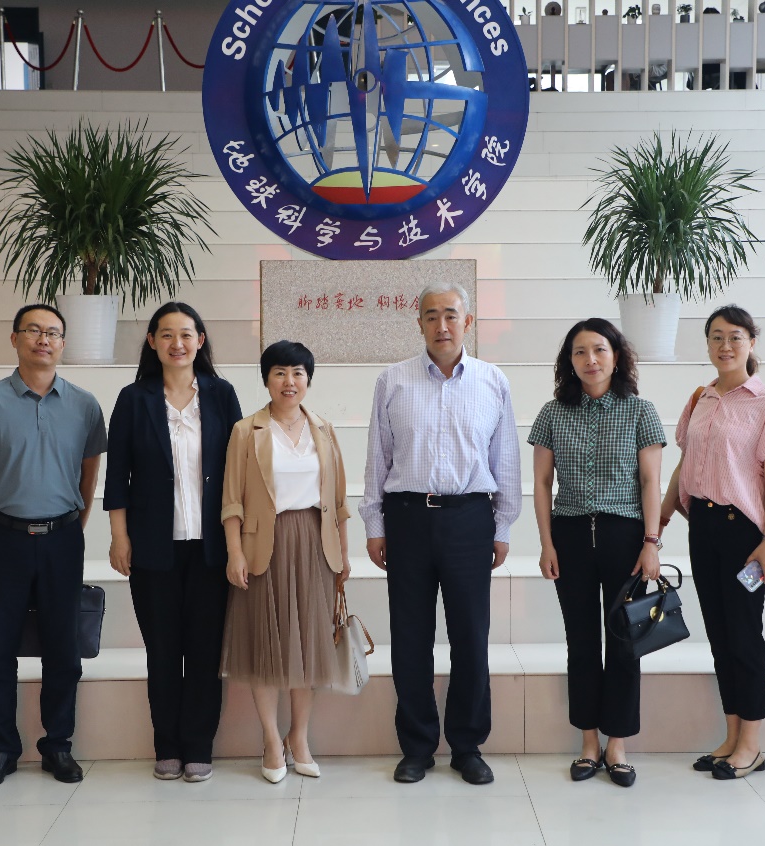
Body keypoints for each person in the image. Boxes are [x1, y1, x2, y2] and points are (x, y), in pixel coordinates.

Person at [360, 282, 522, 786]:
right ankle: (417, 747)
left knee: (470, 636)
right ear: (419, 324)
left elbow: (505, 459)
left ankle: (467, 745)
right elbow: (377, 458)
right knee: (410, 637)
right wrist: (374, 524)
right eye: (431, 316)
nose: (442, 325)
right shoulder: (393, 380)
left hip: (470, 519)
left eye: (451, 314)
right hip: (407, 518)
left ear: (467, 322)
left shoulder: (492, 381)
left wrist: (502, 525)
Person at [0, 304, 107, 790]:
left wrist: (74, 525)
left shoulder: (85, 404)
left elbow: (89, 473)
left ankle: (57, 745)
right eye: (34, 330)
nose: (44, 339)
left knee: (62, 646)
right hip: (2, 539)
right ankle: (1, 749)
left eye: (53, 333)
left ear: (63, 343)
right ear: (15, 338)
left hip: (62, 538)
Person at [103, 302, 242, 782]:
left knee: (205, 652)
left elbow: (238, 472)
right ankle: (166, 745)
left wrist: (238, 542)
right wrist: (119, 536)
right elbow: (117, 475)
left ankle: (199, 745)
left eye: (186, 334)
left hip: (210, 549)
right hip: (152, 548)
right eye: (166, 334)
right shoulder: (133, 398)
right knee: (162, 652)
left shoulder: (222, 395)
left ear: (200, 340)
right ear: (152, 342)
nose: (176, 343)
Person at [660, 304, 765, 781]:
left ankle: (752, 745)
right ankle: (732, 735)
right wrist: (660, 518)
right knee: (719, 634)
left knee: (744, 634)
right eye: (716, 337)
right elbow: (685, 464)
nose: (725, 345)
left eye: (735, 336)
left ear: (751, 342)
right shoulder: (700, 398)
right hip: (704, 527)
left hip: (746, 536)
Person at [528, 318, 665, 787]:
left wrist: (651, 542)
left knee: (624, 642)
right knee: (581, 641)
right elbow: (541, 483)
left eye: (600, 349)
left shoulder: (640, 411)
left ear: (616, 356)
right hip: (569, 535)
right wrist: (546, 543)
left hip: (625, 536)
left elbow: (651, 481)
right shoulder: (552, 413)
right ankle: (588, 742)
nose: (591, 360)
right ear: (569, 360)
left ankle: (617, 744)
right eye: (580, 351)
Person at [220, 340, 352, 784]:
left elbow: (339, 501)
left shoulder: (324, 429)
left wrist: (344, 554)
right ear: (266, 380)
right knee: (266, 646)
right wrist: (234, 552)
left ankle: (299, 737)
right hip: (264, 546)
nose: (289, 381)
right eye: (279, 372)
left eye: (297, 373)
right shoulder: (246, 431)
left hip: (315, 543)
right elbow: (232, 501)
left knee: (308, 647)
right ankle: (271, 741)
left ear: (308, 380)